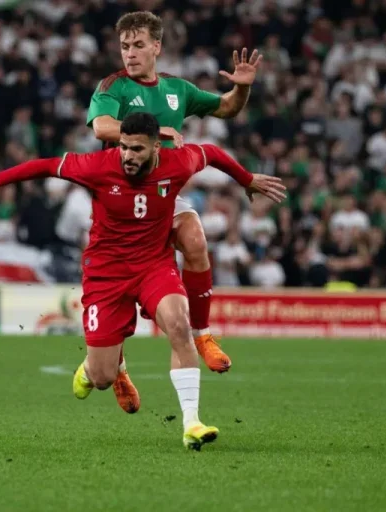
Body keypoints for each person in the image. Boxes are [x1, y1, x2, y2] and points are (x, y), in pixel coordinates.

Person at [0, 113, 285, 449]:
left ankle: (191, 422)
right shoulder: (98, 165)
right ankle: (103, 367)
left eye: (137, 149)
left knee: (179, 325)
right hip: (106, 275)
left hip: (154, 266)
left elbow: (211, 153)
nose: (127, 155)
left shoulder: (178, 162)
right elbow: (44, 166)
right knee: (101, 377)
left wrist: (246, 179)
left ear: (157, 146)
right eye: (124, 146)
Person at [86, 12, 262, 398]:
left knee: (196, 238)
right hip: (120, 200)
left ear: (156, 47)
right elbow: (101, 127)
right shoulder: (112, 87)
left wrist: (243, 88)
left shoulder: (178, 90)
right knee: (115, 300)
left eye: (137, 45)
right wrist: (151, 131)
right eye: (124, 46)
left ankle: (202, 336)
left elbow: (229, 108)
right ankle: (115, 367)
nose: (129, 54)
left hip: (162, 193)